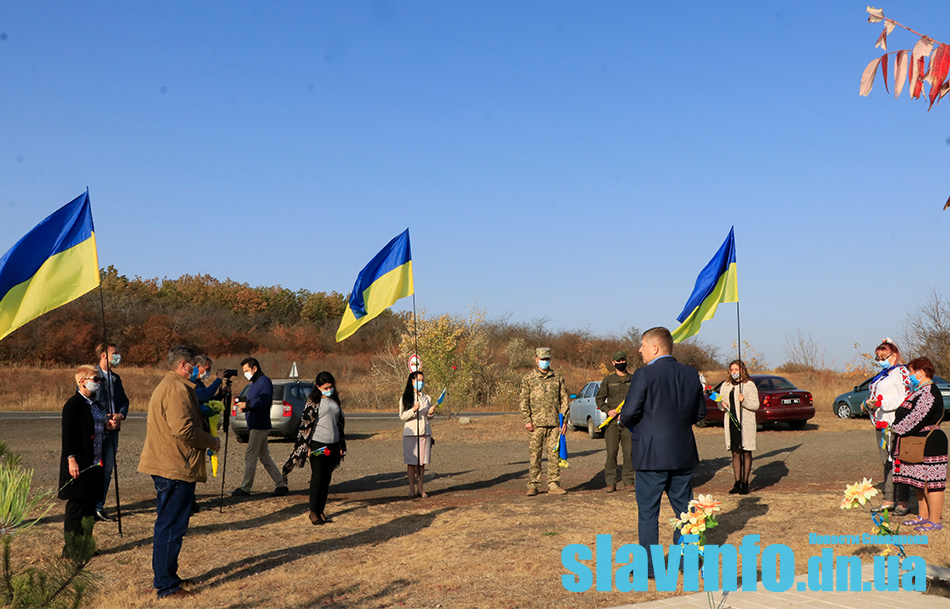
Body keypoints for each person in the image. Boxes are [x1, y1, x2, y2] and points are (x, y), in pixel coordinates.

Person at [619, 327, 706, 576]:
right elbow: (700, 413)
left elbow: (629, 412)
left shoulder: (644, 374)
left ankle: (649, 567)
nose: (640, 350)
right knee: (685, 513)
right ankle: (688, 562)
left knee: (648, 513)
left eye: (643, 345)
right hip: (682, 452)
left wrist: (629, 422)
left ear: (655, 348)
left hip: (651, 455)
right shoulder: (691, 374)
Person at [138, 346, 220, 599]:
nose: (198, 369)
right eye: (195, 364)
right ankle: (166, 586)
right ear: (184, 365)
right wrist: (211, 441)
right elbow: (183, 430)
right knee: (171, 527)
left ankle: (169, 577)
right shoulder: (176, 389)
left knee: (173, 525)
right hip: (174, 466)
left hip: (173, 464)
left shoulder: (178, 387)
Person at [59, 365, 117, 557]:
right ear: (82, 381)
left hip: (96, 462)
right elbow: (68, 436)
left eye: (100, 379)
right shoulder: (73, 405)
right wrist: (71, 460)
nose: (98, 383)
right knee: (77, 506)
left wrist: (108, 424)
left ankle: (85, 545)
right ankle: (71, 548)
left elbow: (98, 425)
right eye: (95, 379)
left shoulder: (95, 404)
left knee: (90, 508)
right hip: (79, 463)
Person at [283, 371, 346, 525]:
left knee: (326, 479)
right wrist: (307, 447)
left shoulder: (335, 400)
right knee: (318, 477)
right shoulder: (314, 402)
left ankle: (321, 510)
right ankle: (313, 511)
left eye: (331, 387)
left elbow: (339, 423)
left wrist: (341, 445)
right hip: (318, 444)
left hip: (333, 443)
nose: (329, 390)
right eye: (325, 388)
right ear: (318, 387)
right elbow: (305, 425)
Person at [892, 357, 946, 531]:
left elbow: (916, 418)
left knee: (932, 484)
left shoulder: (929, 392)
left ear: (921, 372)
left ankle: (935, 520)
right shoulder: (918, 391)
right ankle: (923, 515)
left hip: (931, 442)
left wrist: (895, 429)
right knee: (919, 482)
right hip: (916, 442)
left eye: (911, 372)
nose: (909, 375)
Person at [233, 357, 288, 497]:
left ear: (254, 368)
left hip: (259, 425)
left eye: (246, 370)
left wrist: (247, 405)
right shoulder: (255, 383)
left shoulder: (264, 382)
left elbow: (265, 402)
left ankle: (245, 488)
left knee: (250, 456)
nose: (245, 374)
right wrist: (245, 406)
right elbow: (255, 402)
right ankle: (281, 484)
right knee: (265, 457)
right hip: (256, 424)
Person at [868, 338, 912, 515]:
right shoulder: (883, 375)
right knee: (886, 461)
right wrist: (870, 404)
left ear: (894, 355)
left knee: (898, 461)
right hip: (881, 423)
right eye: (878, 359)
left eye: (883, 358)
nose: (880, 362)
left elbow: (905, 398)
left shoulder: (901, 373)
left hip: (895, 424)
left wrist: (881, 403)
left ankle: (903, 501)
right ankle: (888, 498)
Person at [520, 347, 570, 496]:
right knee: (535, 456)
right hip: (536, 425)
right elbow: (524, 400)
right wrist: (527, 419)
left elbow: (564, 400)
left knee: (554, 456)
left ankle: (553, 484)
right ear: (536, 359)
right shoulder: (529, 378)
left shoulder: (557, 377)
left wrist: (564, 420)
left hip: (554, 424)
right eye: (542, 359)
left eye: (547, 359)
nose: (544, 361)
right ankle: (533, 485)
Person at [93, 342, 129, 522]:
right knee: (95, 470)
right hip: (98, 431)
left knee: (107, 470)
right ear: (103, 355)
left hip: (114, 431)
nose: (118, 356)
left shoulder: (116, 378)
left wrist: (120, 415)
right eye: (114, 353)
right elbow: (88, 402)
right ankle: (89, 506)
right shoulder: (92, 376)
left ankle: (99, 507)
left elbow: (124, 401)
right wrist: (104, 419)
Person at [595, 350, 636, 493]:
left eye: (623, 360)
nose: (621, 363)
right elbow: (599, 399)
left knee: (629, 453)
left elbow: (639, 399)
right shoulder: (608, 380)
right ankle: (611, 482)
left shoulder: (634, 379)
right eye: (618, 361)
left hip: (628, 424)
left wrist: (629, 412)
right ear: (613, 363)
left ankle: (629, 482)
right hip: (611, 424)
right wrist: (608, 410)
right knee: (611, 453)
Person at [718, 360, 759, 495]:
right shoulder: (726, 385)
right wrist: (721, 405)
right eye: (732, 370)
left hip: (745, 424)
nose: (734, 372)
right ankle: (737, 482)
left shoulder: (749, 385)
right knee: (735, 452)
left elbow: (755, 405)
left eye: (736, 369)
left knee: (746, 451)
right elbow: (719, 401)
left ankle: (745, 483)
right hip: (731, 422)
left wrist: (744, 401)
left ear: (742, 370)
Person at [399, 371, 436, 498]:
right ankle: (411, 489)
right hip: (411, 434)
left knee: (421, 463)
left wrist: (430, 413)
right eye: (418, 380)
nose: (421, 382)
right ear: (412, 381)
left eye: (422, 380)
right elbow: (402, 416)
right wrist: (413, 409)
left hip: (424, 433)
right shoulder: (405, 398)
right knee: (411, 462)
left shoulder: (427, 398)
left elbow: (428, 417)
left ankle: (421, 489)